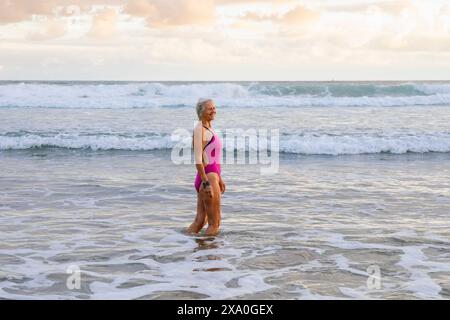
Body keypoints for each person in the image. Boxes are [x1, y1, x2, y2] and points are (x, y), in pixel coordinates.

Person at [187, 98, 225, 236]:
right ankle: (210, 254)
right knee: (215, 224)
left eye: (214, 107)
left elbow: (213, 157)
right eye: (210, 108)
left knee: (200, 221)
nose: (213, 110)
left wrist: (219, 178)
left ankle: (183, 245)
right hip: (207, 178)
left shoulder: (209, 128)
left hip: (211, 176)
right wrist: (206, 182)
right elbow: (198, 159)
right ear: (201, 112)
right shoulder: (200, 129)